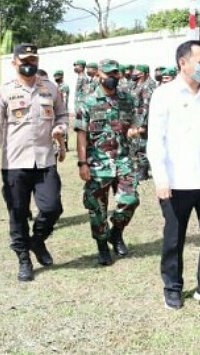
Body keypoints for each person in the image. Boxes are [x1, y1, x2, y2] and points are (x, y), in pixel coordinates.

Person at [147, 40, 200, 310]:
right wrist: (161, 178)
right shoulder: (165, 94)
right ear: (183, 63)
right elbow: (155, 140)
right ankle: (172, 287)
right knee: (175, 238)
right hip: (175, 182)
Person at [0, 43, 68, 281]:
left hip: (45, 161)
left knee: (52, 207)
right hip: (15, 164)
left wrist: (61, 127)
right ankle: (23, 259)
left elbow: (62, 114)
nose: (29, 64)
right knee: (18, 213)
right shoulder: (4, 92)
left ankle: (37, 241)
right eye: (24, 60)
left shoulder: (51, 89)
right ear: (14, 63)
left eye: (33, 60)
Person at [75, 59, 141, 266]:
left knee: (130, 200)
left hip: (122, 159)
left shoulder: (126, 99)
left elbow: (132, 121)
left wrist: (132, 129)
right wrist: (82, 163)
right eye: (107, 74)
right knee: (97, 208)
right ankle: (102, 245)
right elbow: (81, 135)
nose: (111, 78)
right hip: (97, 163)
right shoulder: (87, 102)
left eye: (115, 74)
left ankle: (116, 233)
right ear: (98, 76)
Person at [131, 64, 155, 181]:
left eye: (137, 72)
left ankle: (143, 172)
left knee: (142, 146)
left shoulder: (147, 86)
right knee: (136, 145)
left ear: (144, 73)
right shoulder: (137, 84)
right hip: (136, 119)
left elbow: (146, 106)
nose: (134, 73)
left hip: (142, 120)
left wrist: (143, 124)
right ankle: (140, 169)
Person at [54, 70, 71, 151]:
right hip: (58, 110)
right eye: (55, 77)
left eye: (58, 76)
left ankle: (65, 146)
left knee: (63, 127)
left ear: (62, 76)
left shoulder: (64, 86)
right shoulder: (57, 86)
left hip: (63, 110)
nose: (56, 78)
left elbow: (63, 99)